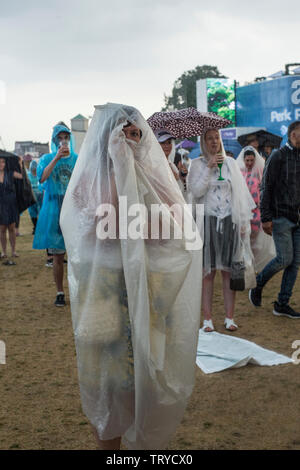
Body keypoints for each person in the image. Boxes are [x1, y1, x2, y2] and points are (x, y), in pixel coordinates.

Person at [60, 102, 202, 450]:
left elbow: (176, 225)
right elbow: (95, 227)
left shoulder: (153, 175)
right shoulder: (92, 176)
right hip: (106, 296)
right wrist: (120, 167)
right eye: (124, 135)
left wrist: (138, 169)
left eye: (137, 134)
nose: (131, 141)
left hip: (148, 294)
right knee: (108, 385)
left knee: (144, 379)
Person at [188, 128, 255, 332]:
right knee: (207, 273)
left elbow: (240, 195)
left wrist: (243, 223)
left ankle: (229, 317)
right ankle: (207, 319)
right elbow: (196, 192)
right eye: (209, 138)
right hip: (207, 222)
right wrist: (209, 168)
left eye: (216, 137)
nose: (214, 141)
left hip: (229, 222)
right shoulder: (197, 164)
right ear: (203, 142)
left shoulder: (231, 164)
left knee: (229, 272)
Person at [249, 121, 300, 318]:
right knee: (284, 259)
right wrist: (266, 217)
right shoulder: (278, 156)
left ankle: (282, 303)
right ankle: (258, 283)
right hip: (280, 217)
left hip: (297, 217)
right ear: (293, 134)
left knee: (294, 263)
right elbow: (266, 187)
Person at [33, 123, 78, 306]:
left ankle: (77, 290)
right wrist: (56, 158)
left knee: (77, 255)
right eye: (59, 138)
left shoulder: (77, 159)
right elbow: (42, 178)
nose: (63, 141)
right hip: (54, 212)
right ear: (54, 141)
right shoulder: (46, 158)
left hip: (74, 211)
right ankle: (60, 292)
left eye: (66, 137)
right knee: (58, 256)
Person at [236, 146, 276, 272]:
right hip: (243, 212)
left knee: (255, 240)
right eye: (247, 160)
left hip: (256, 213)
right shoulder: (239, 173)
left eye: (251, 160)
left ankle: (255, 264)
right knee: (243, 238)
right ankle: (246, 264)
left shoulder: (260, 173)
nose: (249, 163)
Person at [154, 129, 189, 200]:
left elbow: (181, 190)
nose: (167, 146)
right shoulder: (155, 165)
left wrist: (182, 177)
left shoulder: (171, 164)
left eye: (169, 142)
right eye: (163, 143)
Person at [0, 156, 23, 261]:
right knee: (2, 229)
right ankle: (4, 251)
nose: (1, 164)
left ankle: (13, 251)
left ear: (5, 164)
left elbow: (22, 176)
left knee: (12, 229)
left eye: (3, 162)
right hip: (1, 205)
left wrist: (21, 164)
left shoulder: (10, 174)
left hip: (11, 204)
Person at [27, 160, 43, 234]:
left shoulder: (40, 174)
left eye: (35, 169)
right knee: (32, 212)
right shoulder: (28, 175)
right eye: (33, 170)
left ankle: (40, 228)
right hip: (31, 197)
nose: (34, 171)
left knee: (41, 211)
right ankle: (35, 227)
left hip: (40, 196)